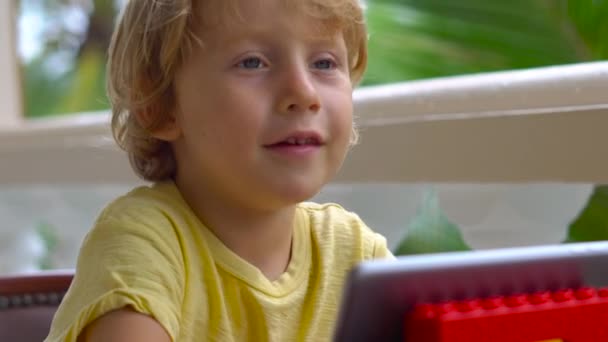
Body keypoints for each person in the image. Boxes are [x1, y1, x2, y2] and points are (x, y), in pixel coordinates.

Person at [45, 0, 393, 340]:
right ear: (158, 104)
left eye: (324, 62)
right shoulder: (140, 245)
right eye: (253, 62)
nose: (303, 92)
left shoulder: (357, 255)